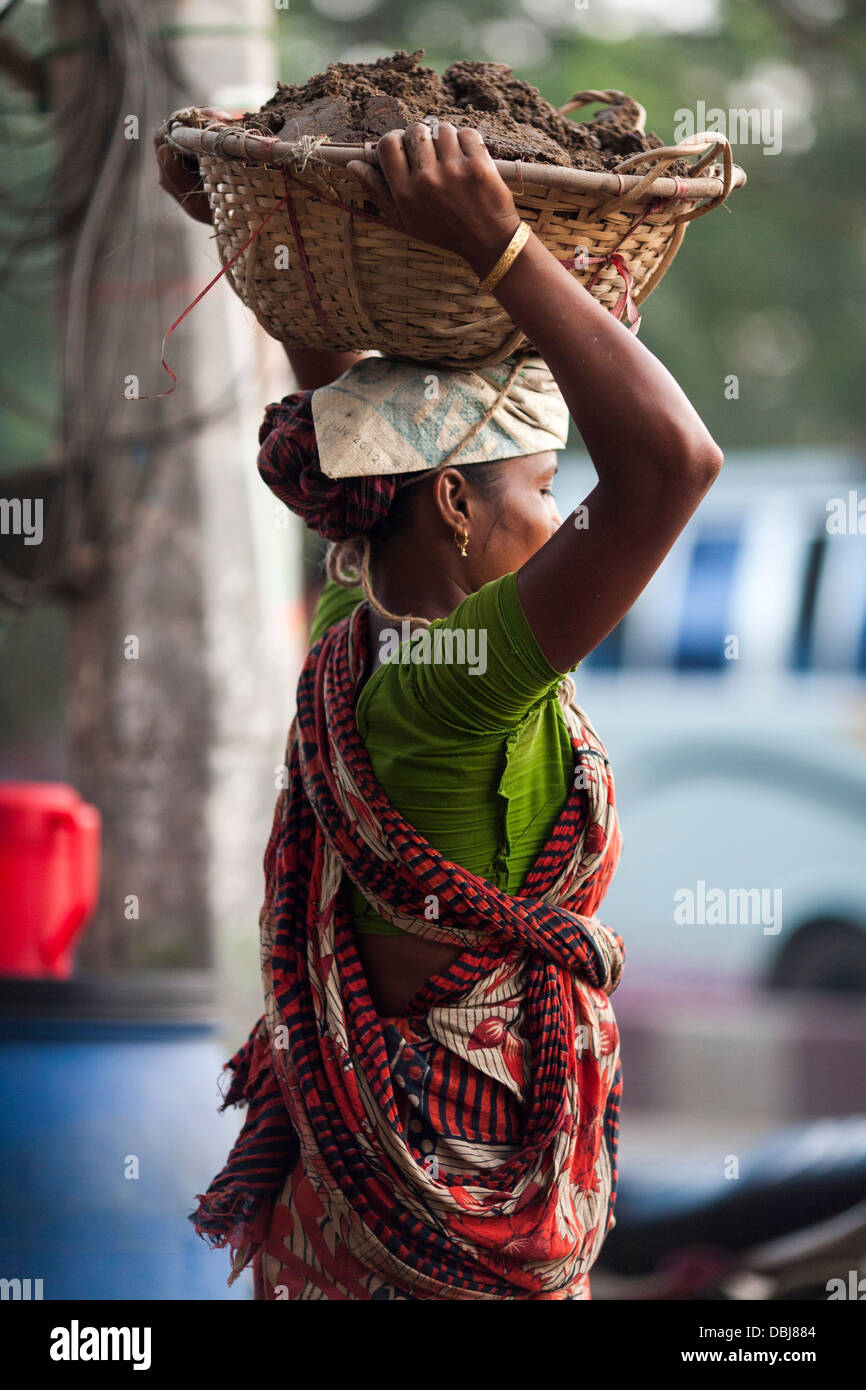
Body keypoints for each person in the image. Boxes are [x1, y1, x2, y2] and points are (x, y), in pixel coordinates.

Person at [158, 119, 722, 1300]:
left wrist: (258, 227)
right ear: (458, 505)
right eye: (543, 492)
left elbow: (345, 426)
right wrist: (502, 246)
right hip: (455, 1220)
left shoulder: (351, 634)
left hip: (343, 1214)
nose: (557, 523)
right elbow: (671, 464)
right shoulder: (456, 687)